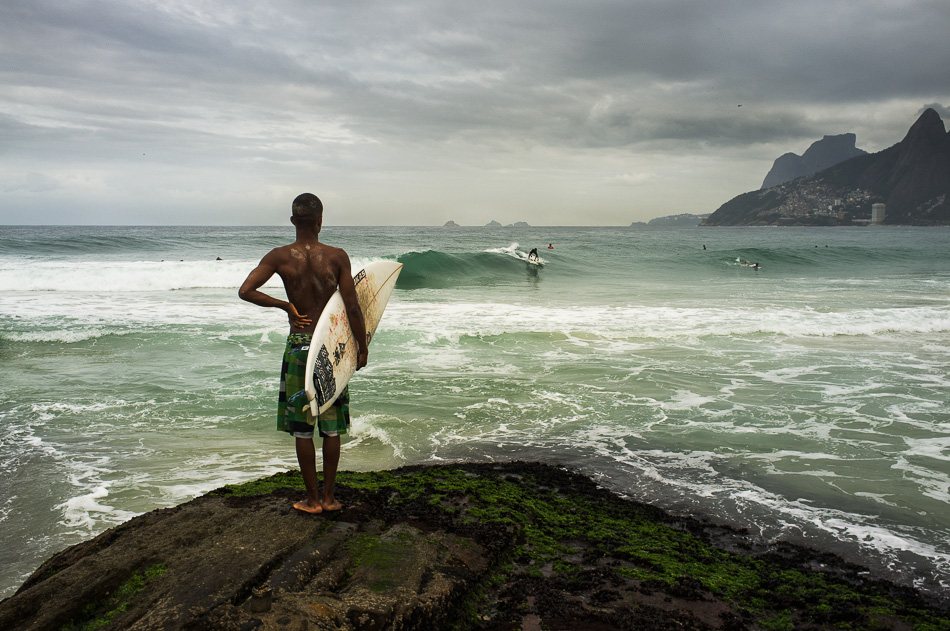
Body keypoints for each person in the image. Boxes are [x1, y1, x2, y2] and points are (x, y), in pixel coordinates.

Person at [239, 193, 368, 514]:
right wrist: (361, 346)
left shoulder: (280, 256)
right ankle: (329, 498)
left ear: (293, 221)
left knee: (303, 425)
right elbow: (351, 305)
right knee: (332, 425)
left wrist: (286, 305)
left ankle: (311, 501)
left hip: (299, 346)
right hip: (330, 346)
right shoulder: (337, 256)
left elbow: (246, 291)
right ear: (321, 221)